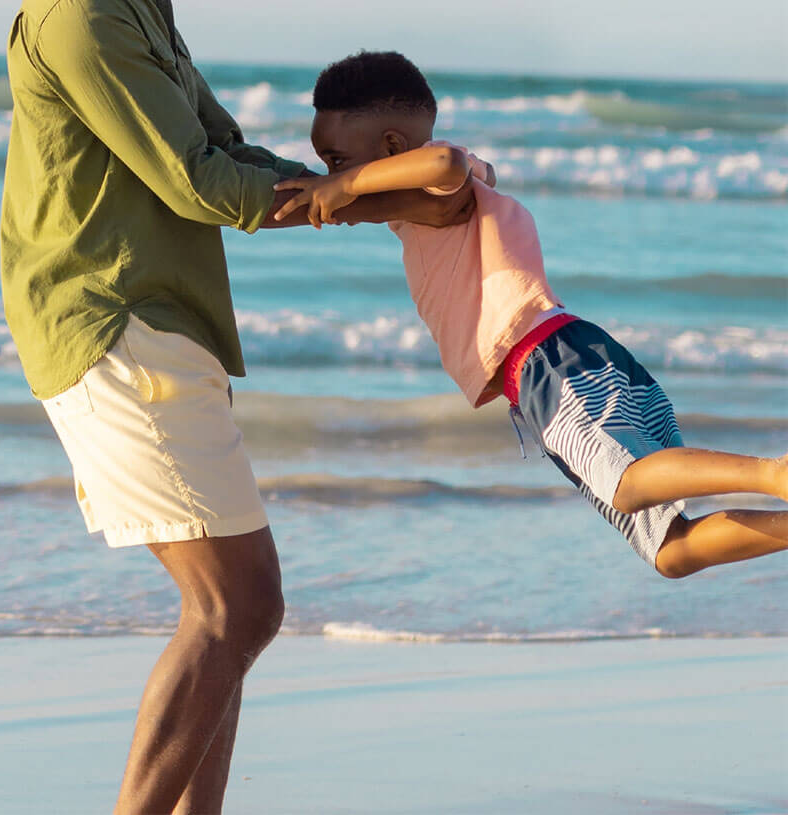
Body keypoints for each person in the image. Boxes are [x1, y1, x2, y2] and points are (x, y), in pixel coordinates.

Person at [0, 0, 472, 815]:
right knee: (235, 610)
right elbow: (202, 184)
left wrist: (374, 195)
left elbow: (224, 146)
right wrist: (373, 189)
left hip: (158, 322)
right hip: (117, 324)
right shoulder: (83, 8)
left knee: (232, 613)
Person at [274, 50, 788, 577]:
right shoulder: (452, 185)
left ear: (391, 147)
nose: (327, 177)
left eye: (335, 161)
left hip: (551, 364)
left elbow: (444, 163)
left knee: (629, 483)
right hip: (569, 364)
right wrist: (347, 185)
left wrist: (349, 186)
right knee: (671, 550)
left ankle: (776, 474)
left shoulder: (441, 178)